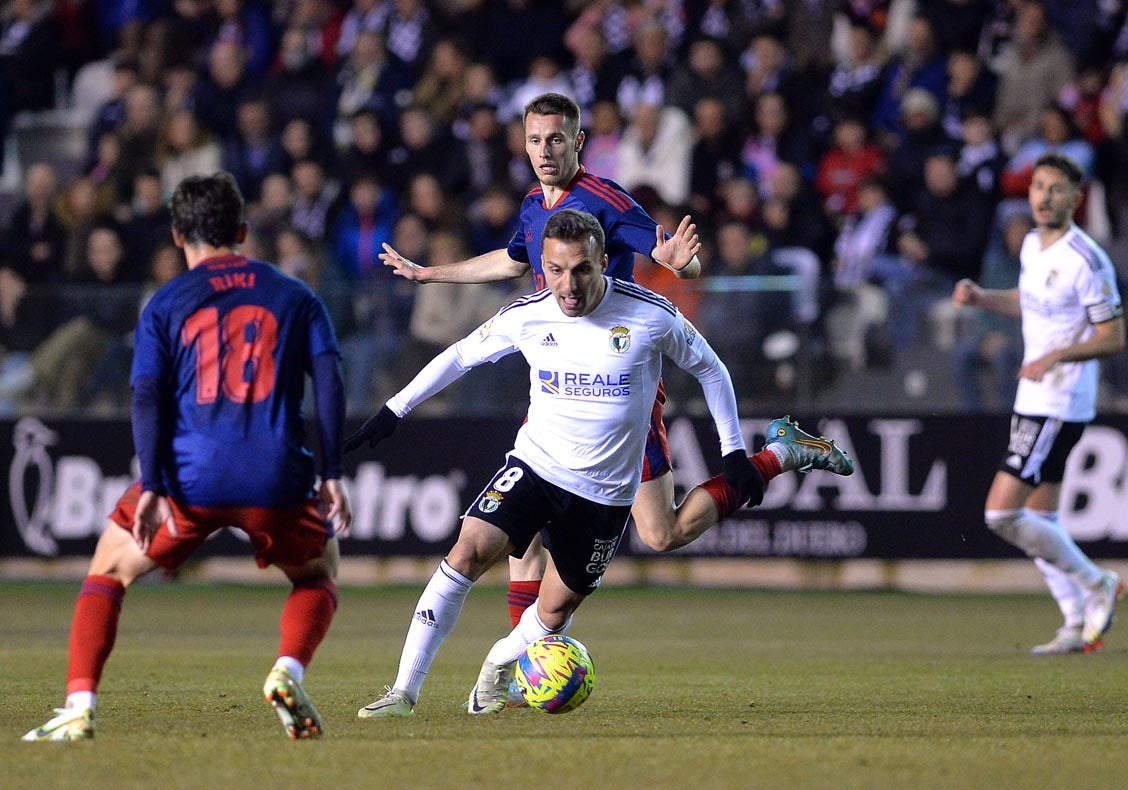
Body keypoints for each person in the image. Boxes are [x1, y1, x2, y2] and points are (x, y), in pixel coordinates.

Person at [379, 92, 853, 642]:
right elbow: (512, 260)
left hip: (616, 383)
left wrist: (683, 263)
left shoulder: (608, 201)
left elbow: (671, 254)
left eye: (555, 138)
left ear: (577, 141)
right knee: (521, 533)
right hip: (557, 378)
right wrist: (431, 275)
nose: (544, 150)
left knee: (662, 532)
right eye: (534, 140)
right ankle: (527, 670)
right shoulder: (535, 204)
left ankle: (780, 455)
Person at [347, 210, 826, 718]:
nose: (567, 285)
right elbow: (460, 356)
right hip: (536, 468)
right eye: (554, 270)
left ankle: (497, 662)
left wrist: (732, 449)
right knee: (468, 550)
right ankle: (403, 693)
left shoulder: (650, 314)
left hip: (605, 496)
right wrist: (395, 409)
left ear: (603, 262)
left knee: (553, 612)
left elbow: (711, 368)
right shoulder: (528, 314)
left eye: (580, 270)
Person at [23, 173, 352, 742]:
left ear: (178, 236)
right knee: (319, 574)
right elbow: (330, 380)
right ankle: (287, 670)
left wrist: (152, 483)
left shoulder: (166, 303)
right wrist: (332, 473)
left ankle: (79, 706)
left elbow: (145, 395)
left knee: (108, 571)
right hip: (276, 474)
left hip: (188, 478)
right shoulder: (296, 295)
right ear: (243, 231)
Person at [952, 153, 1125, 656]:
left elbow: (1113, 337)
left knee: (1002, 516)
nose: (1045, 197)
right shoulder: (1031, 244)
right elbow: (1030, 303)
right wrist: (984, 298)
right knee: (1041, 520)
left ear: (1077, 196)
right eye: (1038, 187)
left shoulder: (1087, 259)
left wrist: (1056, 355)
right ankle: (1075, 621)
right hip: (1035, 396)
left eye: (1056, 189)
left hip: (1060, 400)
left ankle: (1097, 583)